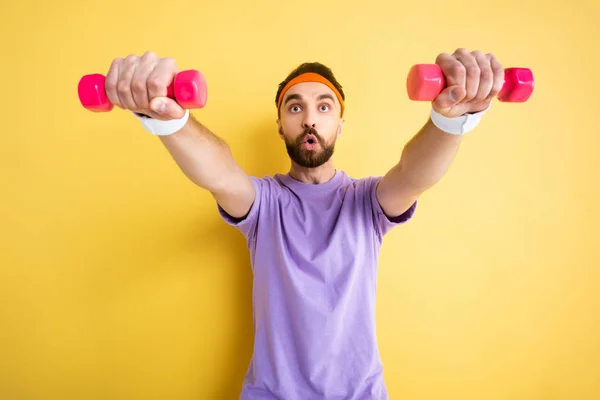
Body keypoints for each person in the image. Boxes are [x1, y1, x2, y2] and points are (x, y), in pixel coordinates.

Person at [103, 48, 504, 399]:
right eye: (295, 107)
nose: (310, 118)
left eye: (324, 107)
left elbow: (414, 174)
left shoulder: (367, 202)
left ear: (340, 125)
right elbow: (220, 172)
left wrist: (451, 120)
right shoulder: (264, 205)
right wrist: (169, 120)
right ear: (280, 125)